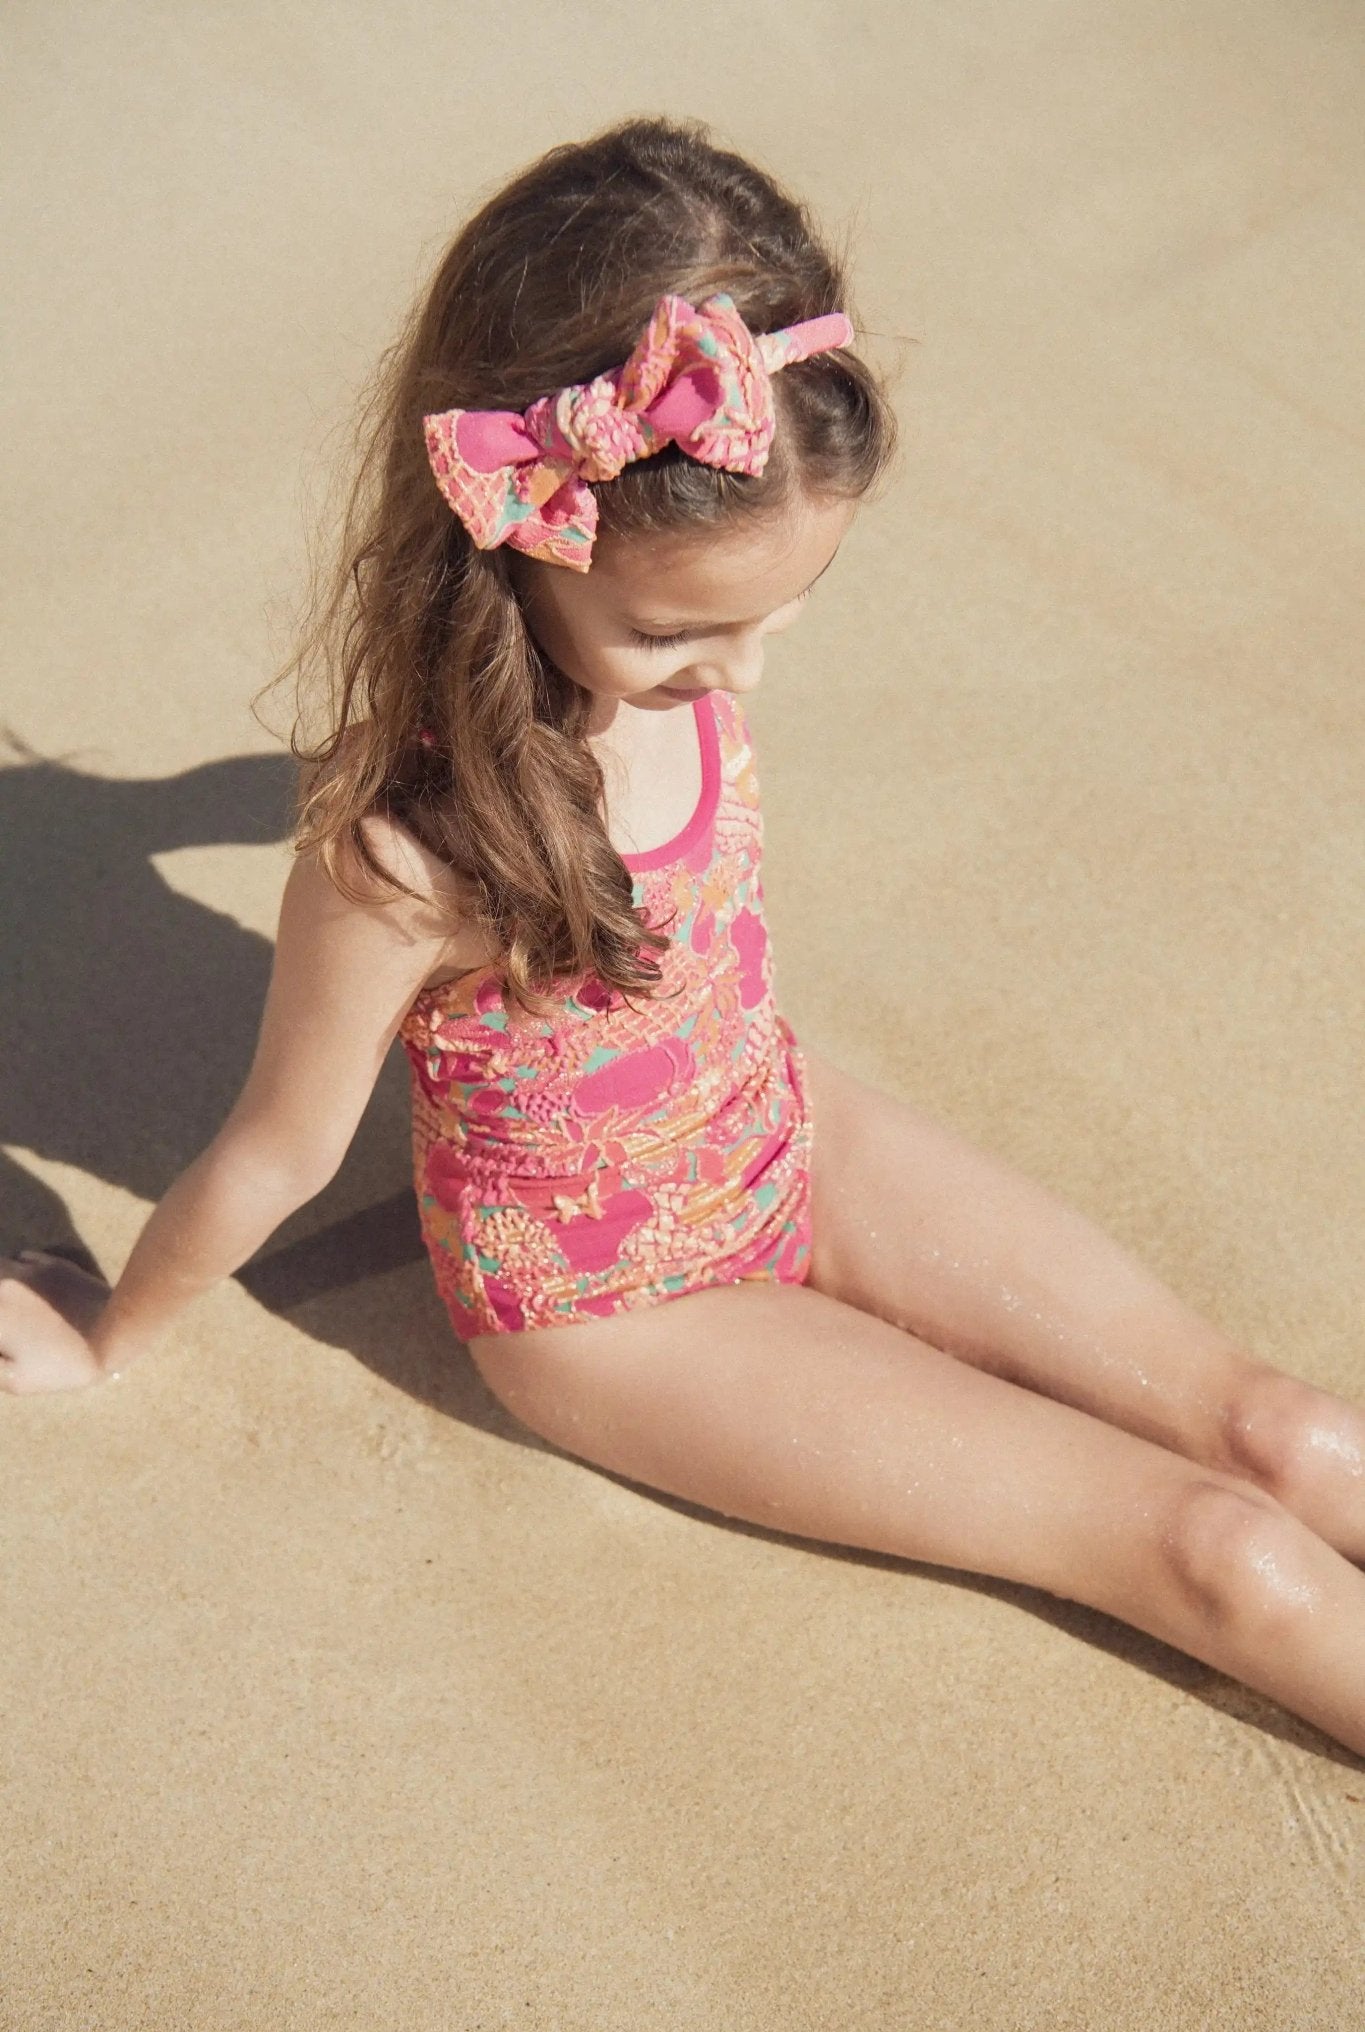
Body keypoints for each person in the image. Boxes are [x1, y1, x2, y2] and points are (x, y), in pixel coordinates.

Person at [4, 116, 1364, 1759]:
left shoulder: (693, 665)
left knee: (1279, 1432)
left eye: (784, 611)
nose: (745, 672)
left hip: (781, 1131)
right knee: (1206, 1547)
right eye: (677, 630)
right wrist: (106, 1332)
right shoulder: (404, 861)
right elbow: (270, 1156)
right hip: (618, 1316)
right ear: (506, 530)